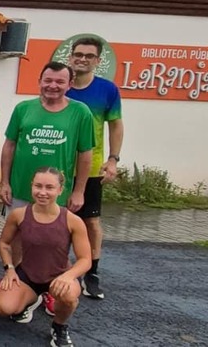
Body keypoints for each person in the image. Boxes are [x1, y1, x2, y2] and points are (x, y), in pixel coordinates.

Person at [0, 61, 94, 300]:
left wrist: (79, 190)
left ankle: (52, 288)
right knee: (17, 237)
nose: (52, 86)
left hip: (56, 192)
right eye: (48, 80)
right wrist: (4, 183)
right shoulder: (24, 108)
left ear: (70, 84)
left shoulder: (80, 112)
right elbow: (10, 145)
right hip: (22, 187)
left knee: (55, 240)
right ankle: (14, 278)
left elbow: (85, 153)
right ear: (40, 81)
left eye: (59, 81)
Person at [0, 167, 92, 347]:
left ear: (60, 190)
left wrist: (68, 276)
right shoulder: (19, 214)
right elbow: (4, 243)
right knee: (4, 308)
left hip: (59, 275)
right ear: (31, 186)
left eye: (49, 187)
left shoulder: (72, 221)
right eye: (38, 186)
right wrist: (9, 269)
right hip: (28, 275)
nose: (43, 192)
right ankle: (32, 299)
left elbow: (86, 259)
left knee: (69, 296)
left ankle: (59, 326)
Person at [67, 36, 124, 300]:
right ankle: (61, 268)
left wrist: (113, 159)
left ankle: (92, 272)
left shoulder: (107, 90)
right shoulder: (60, 85)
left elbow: (115, 125)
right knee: (58, 220)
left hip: (90, 168)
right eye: (78, 54)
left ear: (97, 61)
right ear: (70, 56)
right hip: (60, 167)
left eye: (89, 56)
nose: (82, 59)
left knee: (90, 220)